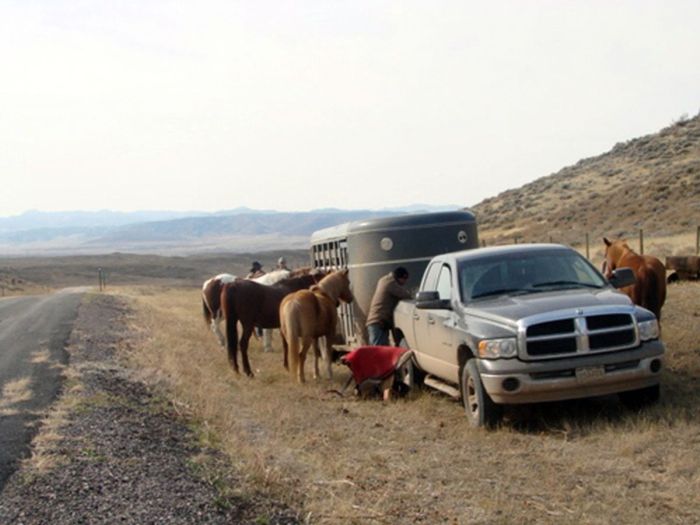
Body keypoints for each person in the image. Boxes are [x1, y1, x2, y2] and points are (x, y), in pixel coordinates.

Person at [365, 266, 411, 346]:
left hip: (378, 323)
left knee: (380, 351)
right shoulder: (390, 283)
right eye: (404, 280)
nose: (404, 283)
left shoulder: (384, 280)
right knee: (378, 352)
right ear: (400, 277)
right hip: (378, 322)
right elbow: (406, 295)